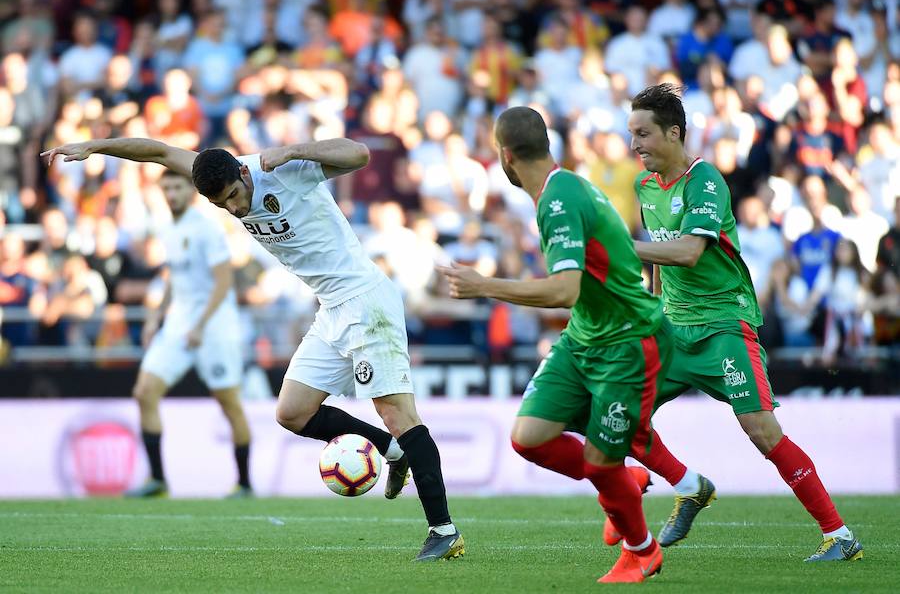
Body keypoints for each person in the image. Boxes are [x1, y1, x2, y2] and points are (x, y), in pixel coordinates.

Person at [42, 136, 464, 562]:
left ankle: (443, 530)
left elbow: (360, 154)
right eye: (221, 204)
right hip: (332, 308)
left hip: (365, 299)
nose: (234, 209)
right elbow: (158, 152)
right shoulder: (220, 173)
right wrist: (94, 147)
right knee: (292, 413)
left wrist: (296, 150)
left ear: (244, 175)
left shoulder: (284, 170)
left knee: (397, 413)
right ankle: (392, 451)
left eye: (234, 197)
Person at [625, 83, 863, 562]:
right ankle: (688, 488)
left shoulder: (704, 179)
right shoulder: (645, 187)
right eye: (631, 133)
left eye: (644, 134)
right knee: (620, 412)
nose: (635, 144)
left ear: (674, 133)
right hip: (673, 328)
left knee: (762, 432)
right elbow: (660, 261)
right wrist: (649, 314)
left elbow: (689, 252)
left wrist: (618, 248)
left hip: (723, 325)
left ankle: (839, 536)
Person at [438, 106, 669, 584]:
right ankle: (624, 483)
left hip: (626, 342)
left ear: (504, 155)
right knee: (529, 437)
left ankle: (642, 550)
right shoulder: (560, 189)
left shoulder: (559, 200)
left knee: (603, 459)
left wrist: (485, 285)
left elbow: (564, 290)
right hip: (585, 336)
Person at [111, 170, 252, 498]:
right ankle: (158, 480)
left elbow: (223, 282)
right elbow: (175, 277)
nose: (171, 194)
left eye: (177, 187)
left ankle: (245, 484)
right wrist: (155, 318)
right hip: (179, 325)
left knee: (229, 403)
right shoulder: (166, 227)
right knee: (145, 392)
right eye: (167, 188)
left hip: (214, 327)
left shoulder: (207, 228)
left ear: (190, 192)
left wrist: (201, 325)